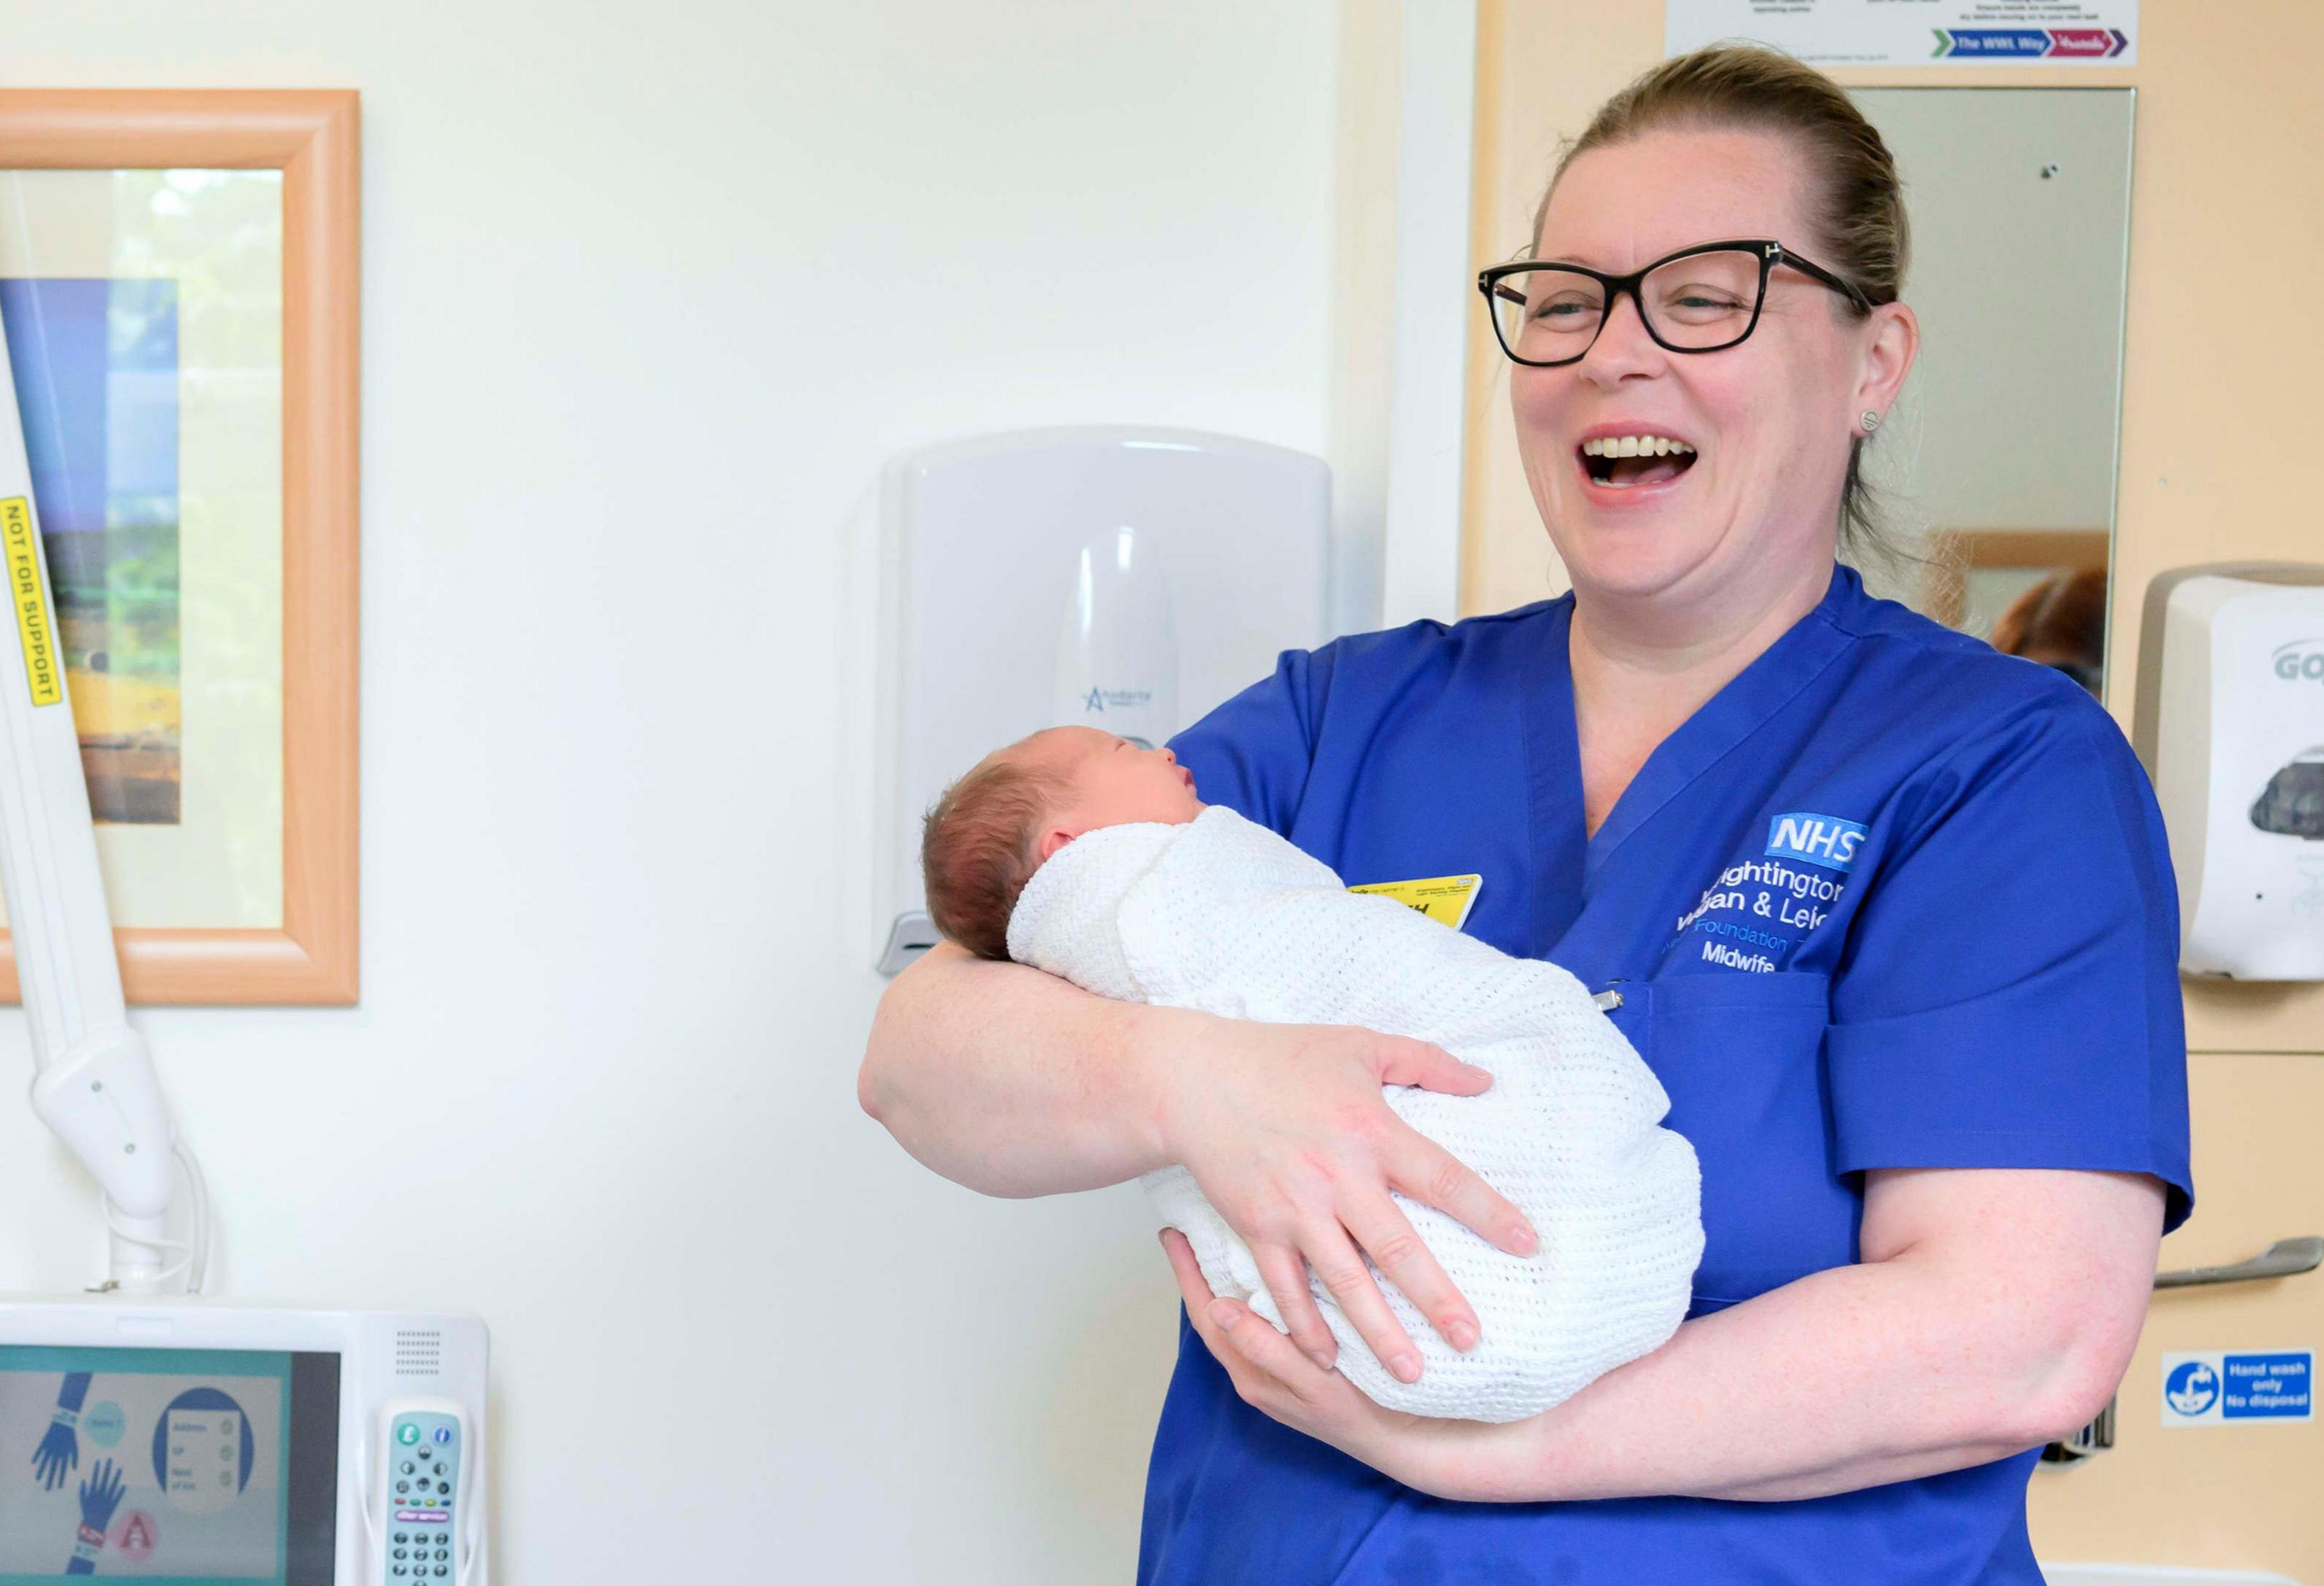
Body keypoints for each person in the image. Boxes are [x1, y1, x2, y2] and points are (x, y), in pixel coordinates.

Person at [862, 43, 2190, 1583]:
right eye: (1563, 301)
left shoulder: (1995, 770)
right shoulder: (1346, 720)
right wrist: (1189, 1080)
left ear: (1875, 360)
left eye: (1706, 297)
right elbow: (922, 1059)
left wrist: (1496, 1450)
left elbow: (2016, 1337)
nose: (1612, 353)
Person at [916, 723, 1704, 1423]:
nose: (1168, 752)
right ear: (1066, 851)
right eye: (1127, 750)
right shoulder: (1143, 897)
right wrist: (1203, 1078)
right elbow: (908, 1054)